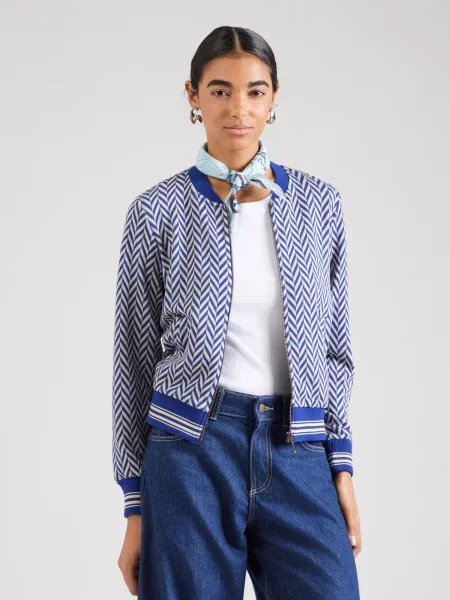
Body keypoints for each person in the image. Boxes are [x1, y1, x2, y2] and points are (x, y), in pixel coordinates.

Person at [113, 25, 362, 599]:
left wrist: (341, 466)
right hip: (189, 450)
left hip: (297, 446)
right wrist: (135, 505)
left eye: (255, 91)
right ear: (193, 96)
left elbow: (335, 349)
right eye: (220, 90)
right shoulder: (156, 212)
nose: (238, 109)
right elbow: (133, 362)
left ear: (274, 98)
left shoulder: (319, 205)